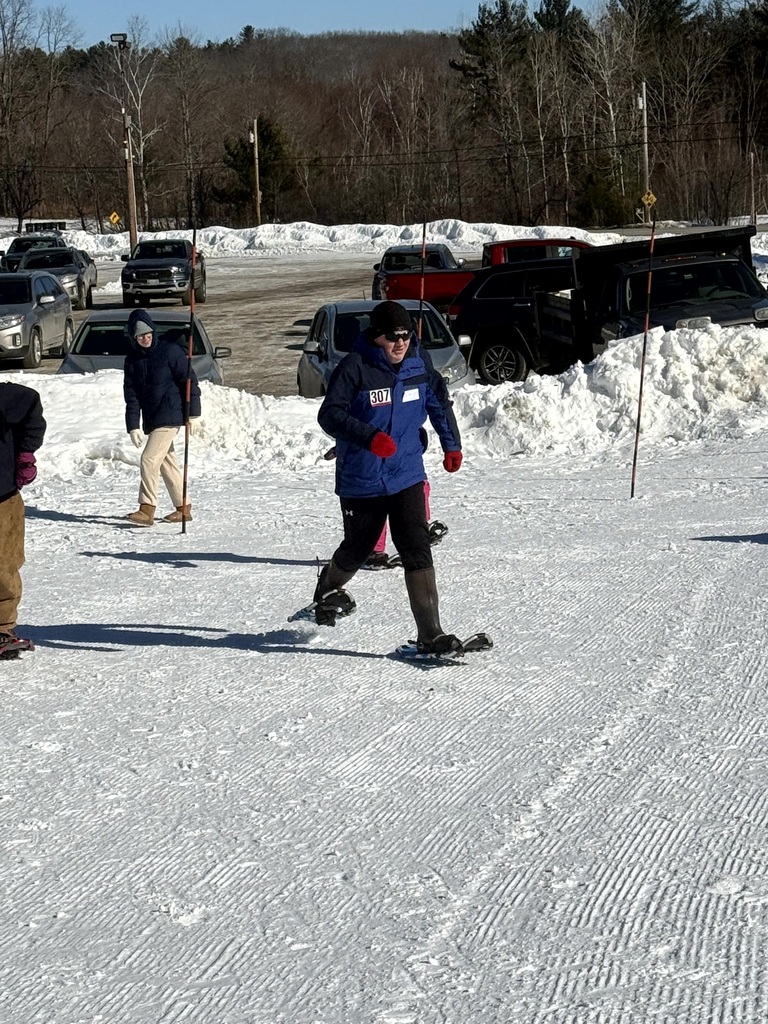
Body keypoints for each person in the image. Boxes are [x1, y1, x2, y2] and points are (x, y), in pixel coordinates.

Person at [308, 300, 464, 655]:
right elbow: (329, 415)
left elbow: (438, 403)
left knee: (416, 547)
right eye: (393, 337)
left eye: (406, 336)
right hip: (362, 478)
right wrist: (369, 437)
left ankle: (430, 634)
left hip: (406, 473)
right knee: (359, 547)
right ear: (376, 336)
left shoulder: (418, 363)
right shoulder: (355, 367)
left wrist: (451, 445)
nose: (400, 344)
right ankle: (327, 588)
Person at [123, 308, 201, 526]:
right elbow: (131, 396)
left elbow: (189, 381)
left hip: (171, 415)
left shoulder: (170, 351)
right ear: (134, 337)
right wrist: (133, 425)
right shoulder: (132, 360)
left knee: (148, 459)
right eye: (140, 335)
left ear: (153, 332)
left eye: (148, 334)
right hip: (153, 419)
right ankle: (183, 508)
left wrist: (194, 413)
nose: (145, 338)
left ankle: (146, 509)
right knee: (167, 462)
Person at [0, 382, 46, 659]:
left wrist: (25, 454)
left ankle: (2, 629)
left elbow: (30, 402)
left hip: (2, 495)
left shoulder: (6, 396)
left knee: (3, 565)